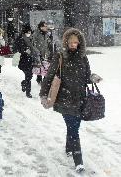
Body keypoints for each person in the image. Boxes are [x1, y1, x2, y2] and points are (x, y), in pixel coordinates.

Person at [40, 28, 101, 173]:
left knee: (74, 127)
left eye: (76, 42)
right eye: (72, 42)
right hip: (64, 98)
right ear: (66, 42)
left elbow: (86, 77)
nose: (74, 44)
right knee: (74, 129)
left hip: (80, 99)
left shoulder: (83, 57)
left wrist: (93, 78)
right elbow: (49, 76)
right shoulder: (60, 56)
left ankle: (69, 147)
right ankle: (78, 161)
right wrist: (43, 94)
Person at [14, 24, 40, 98]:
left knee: (29, 76)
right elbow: (16, 48)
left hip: (30, 59)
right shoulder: (20, 38)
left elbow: (34, 47)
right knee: (28, 75)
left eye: (30, 32)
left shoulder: (31, 38)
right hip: (23, 60)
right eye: (27, 32)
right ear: (24, 32)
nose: (29, 33)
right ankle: (28, 92)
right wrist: (24, 50)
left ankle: (24, 83)